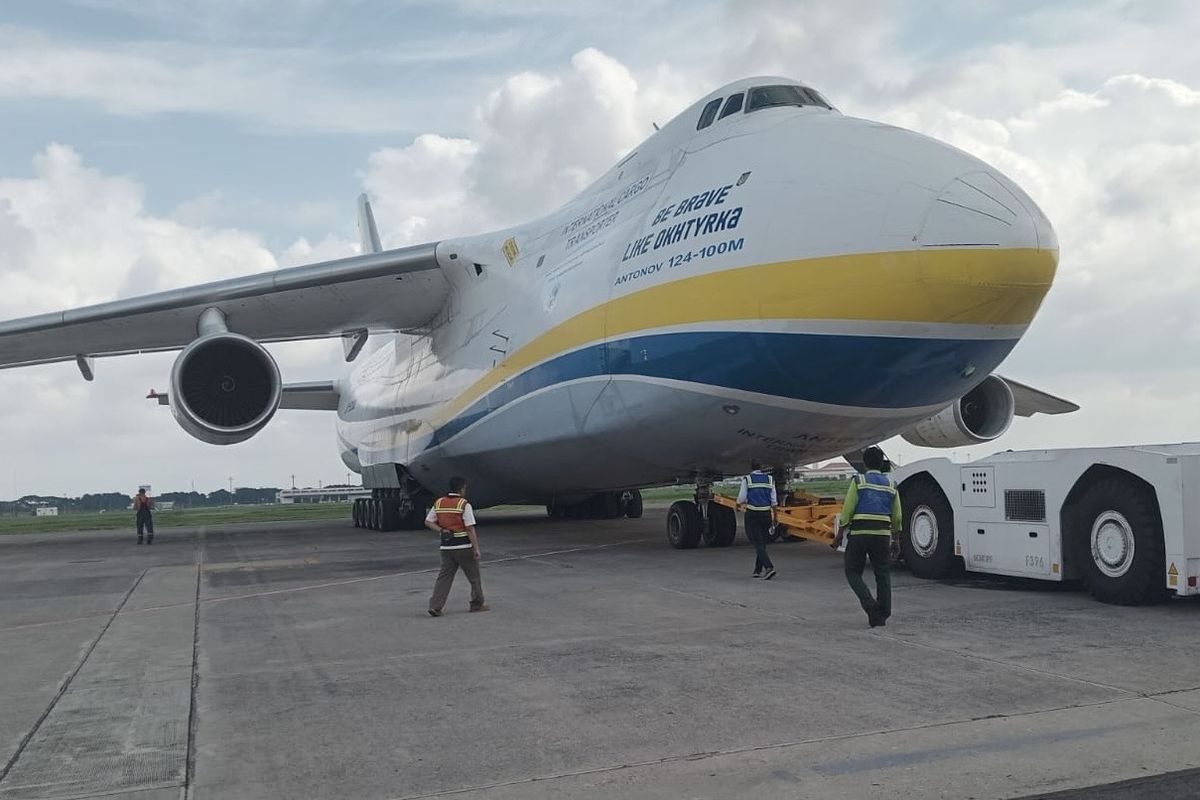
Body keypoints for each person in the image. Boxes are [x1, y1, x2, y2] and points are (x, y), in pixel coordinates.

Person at [838, 446, 901, 627]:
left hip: (859, 534)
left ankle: (870, 606)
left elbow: (848, 509)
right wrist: (895, 539)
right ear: (882, 463)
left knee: (852, 571)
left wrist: (840, 533)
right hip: (882, 535)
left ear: (864, 463)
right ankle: (884, 611)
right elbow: (897, 516)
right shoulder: (891, 485)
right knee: (882, 572)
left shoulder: (859, 481)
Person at [425, 476, 487, 616]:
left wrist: (441, 530)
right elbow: (470, 528)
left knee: (444, 578)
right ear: (462, 488)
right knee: (474, 577)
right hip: (464, 547)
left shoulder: (439, 503)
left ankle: (435, 606)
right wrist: (476, 548)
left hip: (446, 548)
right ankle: (477, 604)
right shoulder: (464, 504)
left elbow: (428, 522)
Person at [737, 464, 777, 580]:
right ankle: (757, 570)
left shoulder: (748, 479)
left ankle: (769, 567)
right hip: (766, 514)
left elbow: (742, 498)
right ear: (762, 468)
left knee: (757, 543)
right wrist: (776, 517)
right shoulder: (770, 479)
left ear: (751, 468)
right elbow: (774, 501)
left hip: (753, 514)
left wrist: (738, 504)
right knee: (762, 543)